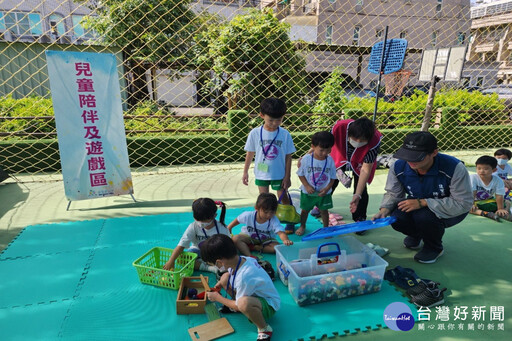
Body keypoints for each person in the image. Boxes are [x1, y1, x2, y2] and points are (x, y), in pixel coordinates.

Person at [373, 131, 473, 264]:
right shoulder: (398, 166)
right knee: (397, 216)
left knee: (424, 217)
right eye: (407, 156)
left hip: (450, 210)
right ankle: (417, 235)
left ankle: (434, 248)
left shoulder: (454, 167)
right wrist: (384, 209)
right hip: (416, 204)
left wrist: (424, 202)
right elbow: (393, 193)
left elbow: (463, 203)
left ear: (434, 153)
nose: (411, 161)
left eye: (417, 157)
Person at [200, 234, 279, 341]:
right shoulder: (242, 259)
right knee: (224, 277)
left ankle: (264, 329)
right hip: (256, 296)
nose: (216, 267)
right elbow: (230, 275)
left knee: (243, 303)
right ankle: (235, 305)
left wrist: (217, 298)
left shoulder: (244, 276)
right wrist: (222, 282)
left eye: (214, 265)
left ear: (219, 262)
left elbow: (239, 304)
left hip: (269, 305)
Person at [330, 117, 382, 234]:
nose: (358, 142)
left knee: (361, 188)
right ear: (348, 133)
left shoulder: (374, 140)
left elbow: (365, 169)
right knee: (331, 180)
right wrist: (309, 154)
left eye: (362, 140)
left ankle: (360, 218)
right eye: (354, 139)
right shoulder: (339, 128)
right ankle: (322, 205)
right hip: (339, 154)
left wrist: (357, 195)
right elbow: (322, 143)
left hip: (360, 162)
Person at [243, 98, 296, 204]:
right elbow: (250, 153)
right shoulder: (255, 133)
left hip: (279, 174)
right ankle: (265, 218)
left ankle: (287, 217)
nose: (275, 123)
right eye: (271, 120)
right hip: (261, 172)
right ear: (262, 115)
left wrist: (287, 176)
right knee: (264, 199)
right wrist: (245, 172)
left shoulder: (285, 134)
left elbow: (288, 157)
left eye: (279, 120)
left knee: (283, 197)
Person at [163, 198, 229, 272]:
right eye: (198, 220)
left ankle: (208, 264)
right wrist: (171, 261)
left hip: (216, 254)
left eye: (205, 221)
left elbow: (227, 248)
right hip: (198, 251)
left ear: (214, 216)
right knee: (181, 259)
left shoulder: (222, 228)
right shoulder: (193, 226)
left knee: (226, 262)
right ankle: (210, 268)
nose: (201, 223)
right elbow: (181, 246)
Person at [295, 131, 337, 236]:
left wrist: (327, 188)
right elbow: (300, 174)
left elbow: (332, 177)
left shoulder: (330, 160)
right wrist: (307, 186)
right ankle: (302, 225)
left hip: (324, 192)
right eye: (321, 150)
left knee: (324, 211)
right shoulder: (306, 159)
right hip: (307, 192)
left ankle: (325, 229)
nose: (325, 153)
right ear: (313, 147)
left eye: (328, 150)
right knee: (305, 210)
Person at [227, 193, 293, 257]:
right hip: (248, 237)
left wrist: (285, 240)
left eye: (272, 212)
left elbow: (280, 232)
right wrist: (229, 234)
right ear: (257, 208)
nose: (269, 215)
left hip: (266, 240)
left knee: (277, 248)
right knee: (235, 239)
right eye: (266, 212)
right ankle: (249, 255)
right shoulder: (247, 215)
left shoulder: (274, 219)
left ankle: (254, 248)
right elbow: (231, 225)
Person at [469, 155, 511, 221]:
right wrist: (471, 204)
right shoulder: (473, 178)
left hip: (488, 201)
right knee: (467, 207)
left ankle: (502, 213)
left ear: (494, 170)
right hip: (474, 201)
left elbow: (499, 195)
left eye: (486, 169)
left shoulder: (498, 180)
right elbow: (472, 192)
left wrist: (500, 208)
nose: (481, 171)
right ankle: (485, 213)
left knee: (507, 202)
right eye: (479, 168)